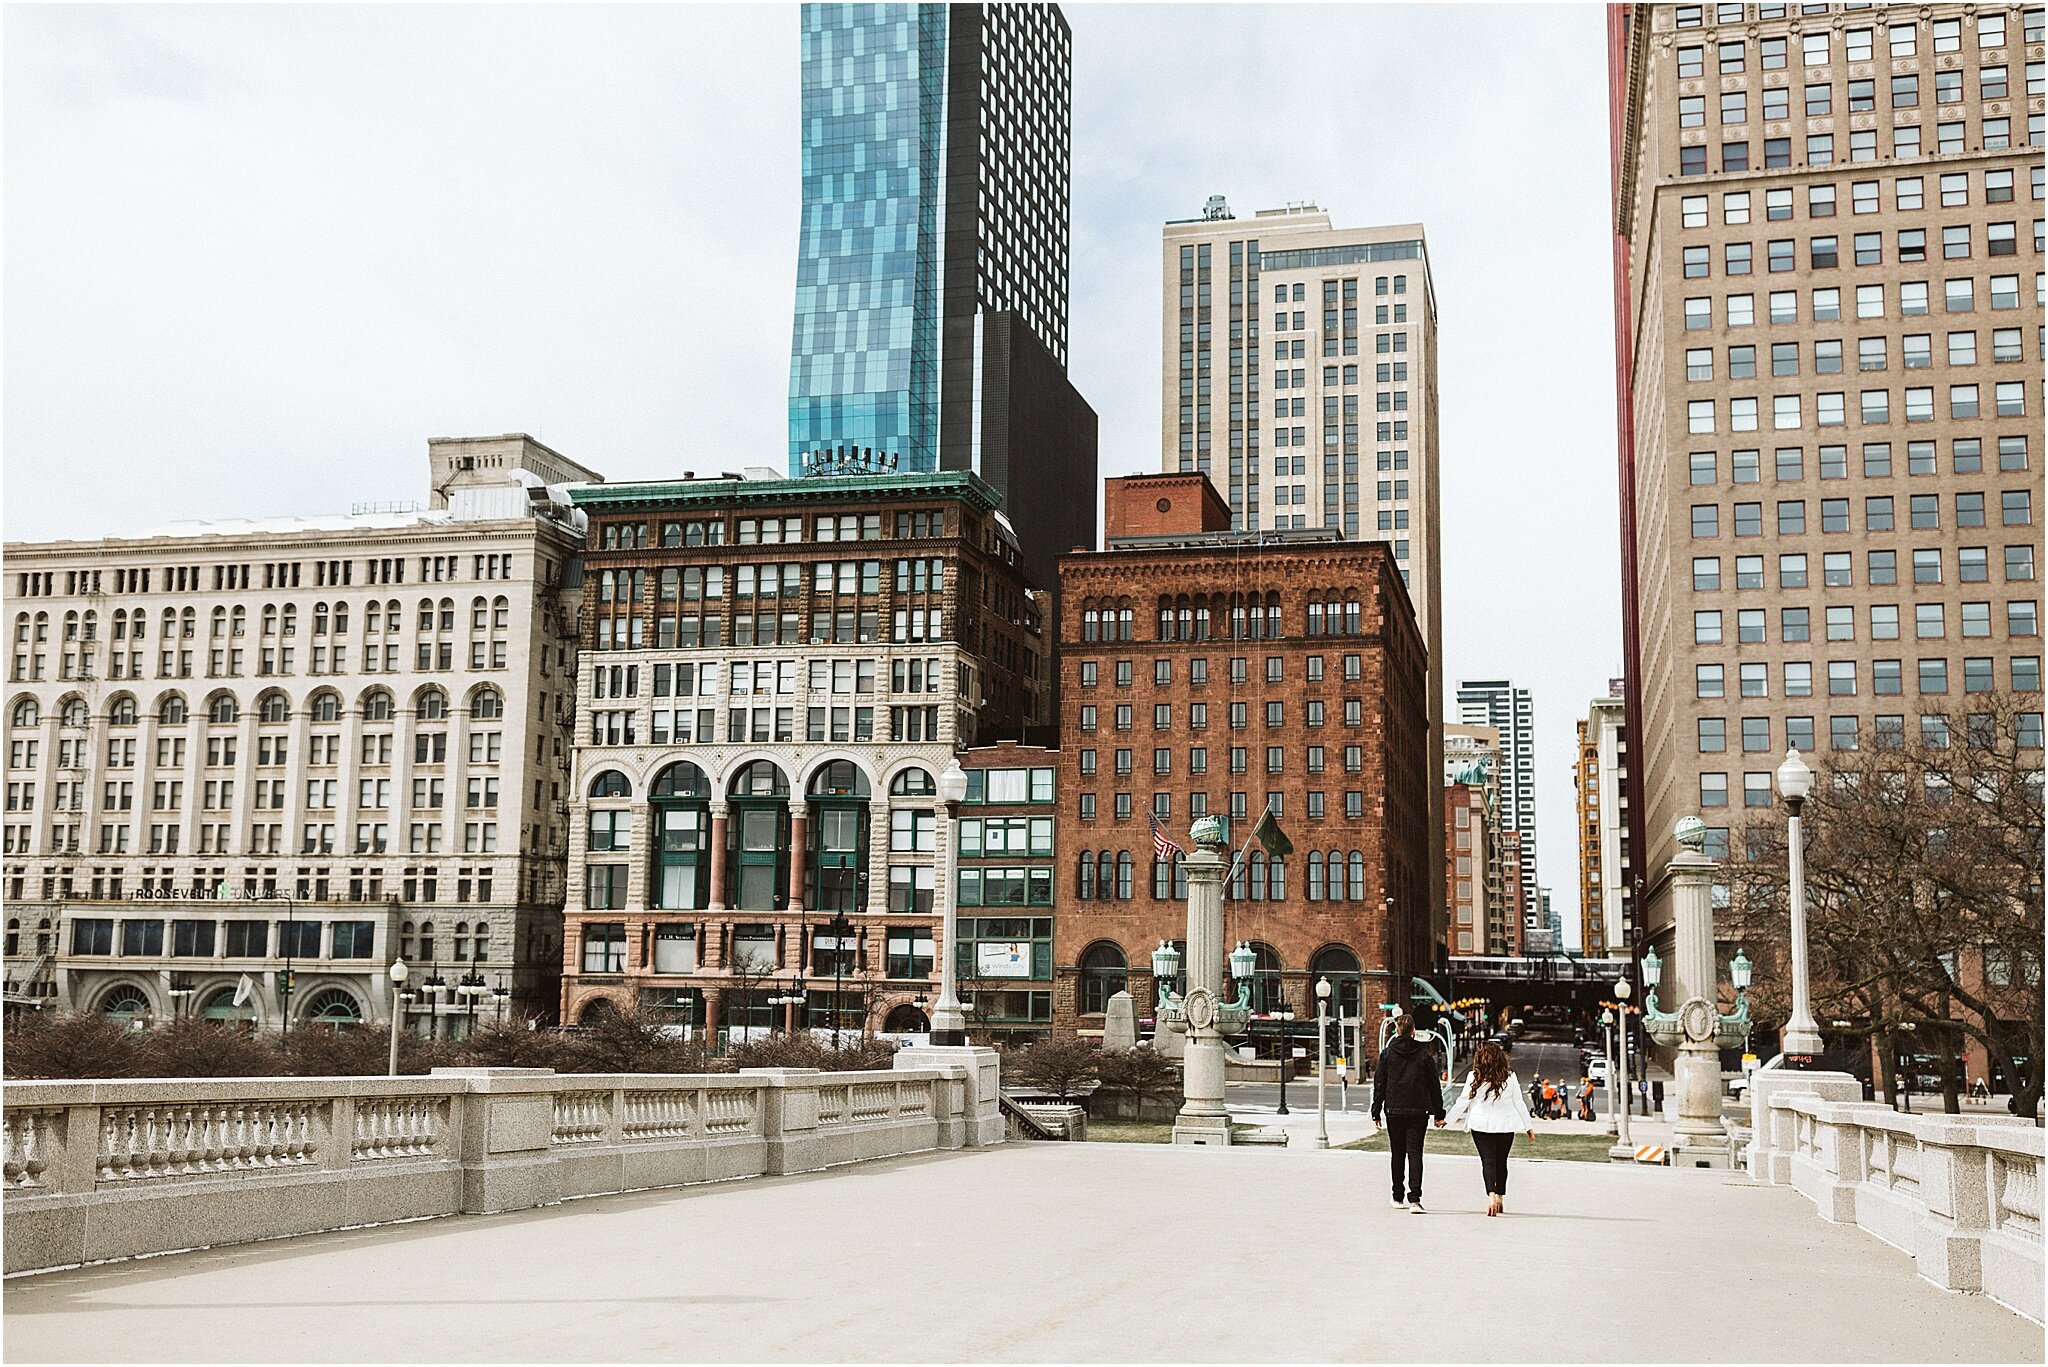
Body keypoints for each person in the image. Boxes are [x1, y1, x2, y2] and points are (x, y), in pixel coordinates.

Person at [1441, 1040, 1537, 1216]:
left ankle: (1491, 1196)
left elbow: (1463, 1101)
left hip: (1481, 1125)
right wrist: (1528, 1127)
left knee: (1488, 1162)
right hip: (1505, 1126)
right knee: (1502, 1162)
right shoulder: (1509, 1076)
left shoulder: (1474, 1076)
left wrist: (1447, 1120)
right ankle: (1500, 1197)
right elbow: (1519, 1102)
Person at [1372, 1013, 1446, 1213]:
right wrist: (1439, 1113)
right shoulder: (1424, 1056)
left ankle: (1397, 1196)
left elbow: (1380, 1084)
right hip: (1417, 1111)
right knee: (1415, 1153)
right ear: (1414, 1031)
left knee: (1397, 1153)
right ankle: (1415, 1199)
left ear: (1397, 1031)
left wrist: (1375, 1110)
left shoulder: (1387, 1054)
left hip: (1394, 1110)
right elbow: (1434, 1086)